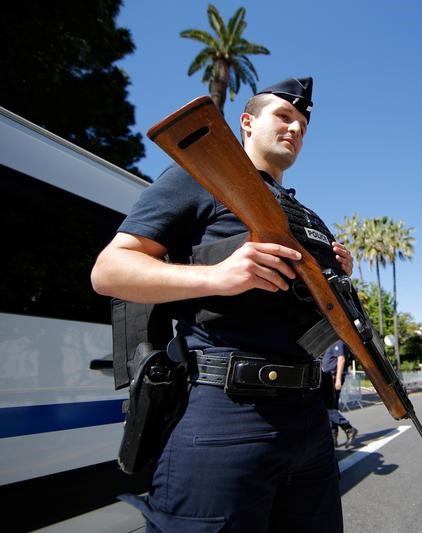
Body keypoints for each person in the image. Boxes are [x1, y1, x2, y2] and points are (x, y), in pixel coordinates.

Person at [91, 77, 352, 533]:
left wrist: (333, 277)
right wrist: (218, 275)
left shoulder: (307, 217)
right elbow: (109, 270)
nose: (295, 129)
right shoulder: (199, 178)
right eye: (284, 117)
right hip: (226, 416)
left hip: (309, 420)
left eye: (303, 126)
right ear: (247, 124)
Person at [321, 340, 358, 448]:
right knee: (332, 407)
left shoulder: (337, 341)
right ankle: (333, 439)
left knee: (327, 408)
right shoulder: (330, 342)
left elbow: (341, 359)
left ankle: (349, 428)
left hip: (332, 378)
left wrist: (337, 379)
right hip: (328, 378)